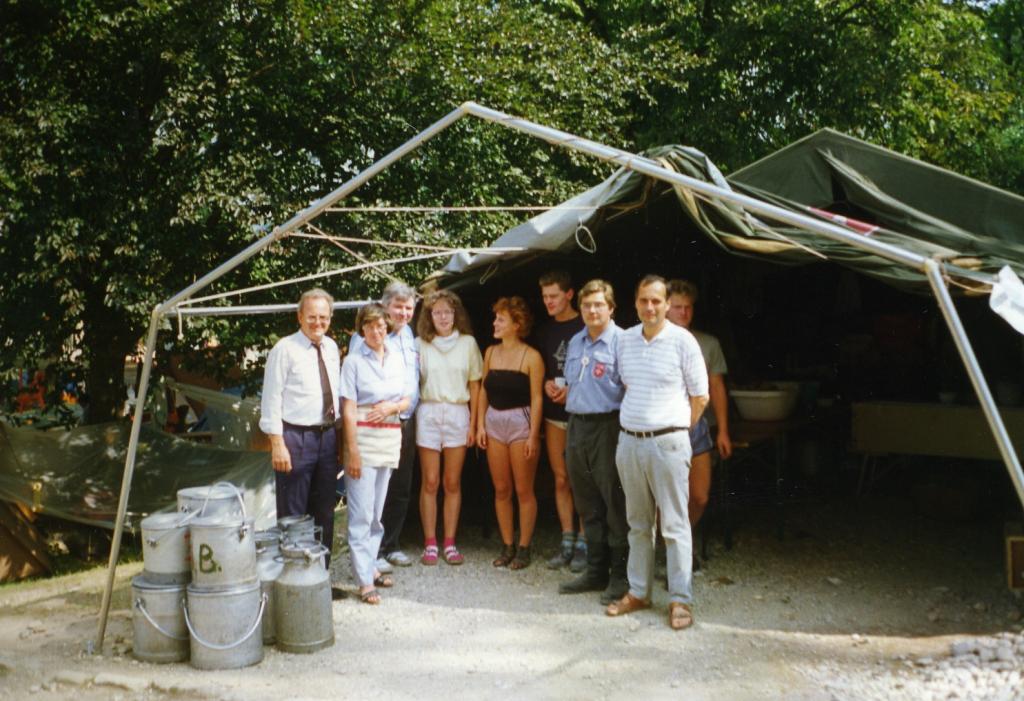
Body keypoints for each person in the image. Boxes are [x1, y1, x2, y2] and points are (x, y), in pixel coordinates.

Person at [607, 275, 709, 631]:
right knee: (638, 523)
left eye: (656, 301)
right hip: (629, 441)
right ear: (635, 303)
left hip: (668, 443)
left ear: (667, 304)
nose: (649, 307)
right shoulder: (625, 340)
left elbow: (701, 397)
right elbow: (625, 385)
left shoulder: (684, 341)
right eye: (643, 301)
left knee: (674, 524)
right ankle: (639, 592)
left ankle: (680, 599)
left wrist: (677, 429)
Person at [259, 288, 342, 568]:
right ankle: (293, 579)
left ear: (330, 317)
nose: (317, 322)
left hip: (327, 437)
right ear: (299, 316)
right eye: (311, 317)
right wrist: (277, 443)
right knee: (294, 513)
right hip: (295, 437)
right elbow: (271, 398)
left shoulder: (331, 347)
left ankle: (320, 579)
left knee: (324, 512)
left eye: (323, 317)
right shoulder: (284, 349)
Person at [559, 280, 629, 605]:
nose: (592, 310)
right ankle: (595, 571)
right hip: (577, 426)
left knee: (614, 504)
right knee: (587, 502)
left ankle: (620, 577)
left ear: (611, 308)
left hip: (609, 427)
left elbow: (631, 389)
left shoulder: (623, 342)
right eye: (587, 305)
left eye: (599, 304)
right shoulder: (575, 342)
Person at [340, 303, 411, 604]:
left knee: (377, 514)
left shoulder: (397, 359)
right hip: (364, 440)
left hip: (389, 439)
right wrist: (352, 450)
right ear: (362, 330)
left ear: (387, 327)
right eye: (370, 326)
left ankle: (369, 568)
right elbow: (348, 407)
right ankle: (362, 580)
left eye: (381, 325)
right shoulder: (353, 362)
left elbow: (406, 399)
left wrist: (392, 407)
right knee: (361, 514)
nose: (376, 331)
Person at [350, 282, 419, 574]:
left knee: (400, 485)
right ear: (385, 306)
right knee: (374, 492)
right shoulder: (370, 336)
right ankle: (372, 553)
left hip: (405, 418)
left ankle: (391, 544)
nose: (403, 313)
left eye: (408, 308)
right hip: (376, 422)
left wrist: (403, 408)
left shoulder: (410, 335)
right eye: (398, 307)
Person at [667, 279, 733, 565]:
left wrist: (724, 431)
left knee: (700, 496)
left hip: (698, 428)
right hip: (664, 428)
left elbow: (717, 387)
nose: (683, 313)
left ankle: (684, 539)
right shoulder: (651, 341)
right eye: (677, 307)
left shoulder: (707, 343)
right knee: (667, 496)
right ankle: (677, 552)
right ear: (665, 309)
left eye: (688, 308)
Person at [415, 290, 483, 566]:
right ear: (429, 316)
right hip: (429, 411)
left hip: (458, 413)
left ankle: (450, 543)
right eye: (437, 312)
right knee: (430, 481)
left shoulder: (468, 343)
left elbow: (475, 385)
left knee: (452, 482)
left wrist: (475, 424)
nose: (443, 317)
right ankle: (430, 543)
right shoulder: (419, 343)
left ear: (456, 314)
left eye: (448, 312)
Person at [476, 296, 544, 570]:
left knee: (523, 489)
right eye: (496, 319)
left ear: (517, 324)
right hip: (494, 422)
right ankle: (507, 545)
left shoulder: (532, 356)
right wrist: (480, 424)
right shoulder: (491, 352)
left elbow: (537, 398)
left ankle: (525, 547)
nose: (495, 323)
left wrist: (532, 435)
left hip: (521, 423)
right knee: (501, 488)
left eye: (501, 319)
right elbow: (483, 389)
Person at [536, 270, 586, 571]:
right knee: (561, 478)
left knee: (584, 480)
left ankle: (585, 541)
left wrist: (573, 390)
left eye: (554, 296)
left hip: (583, 415)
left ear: (569, 294)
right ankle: (566, 539)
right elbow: (542, 369)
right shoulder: (544, 331)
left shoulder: (587, 324)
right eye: (545, 297)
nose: (549, 302)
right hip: (554, 417)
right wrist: (546, 385)